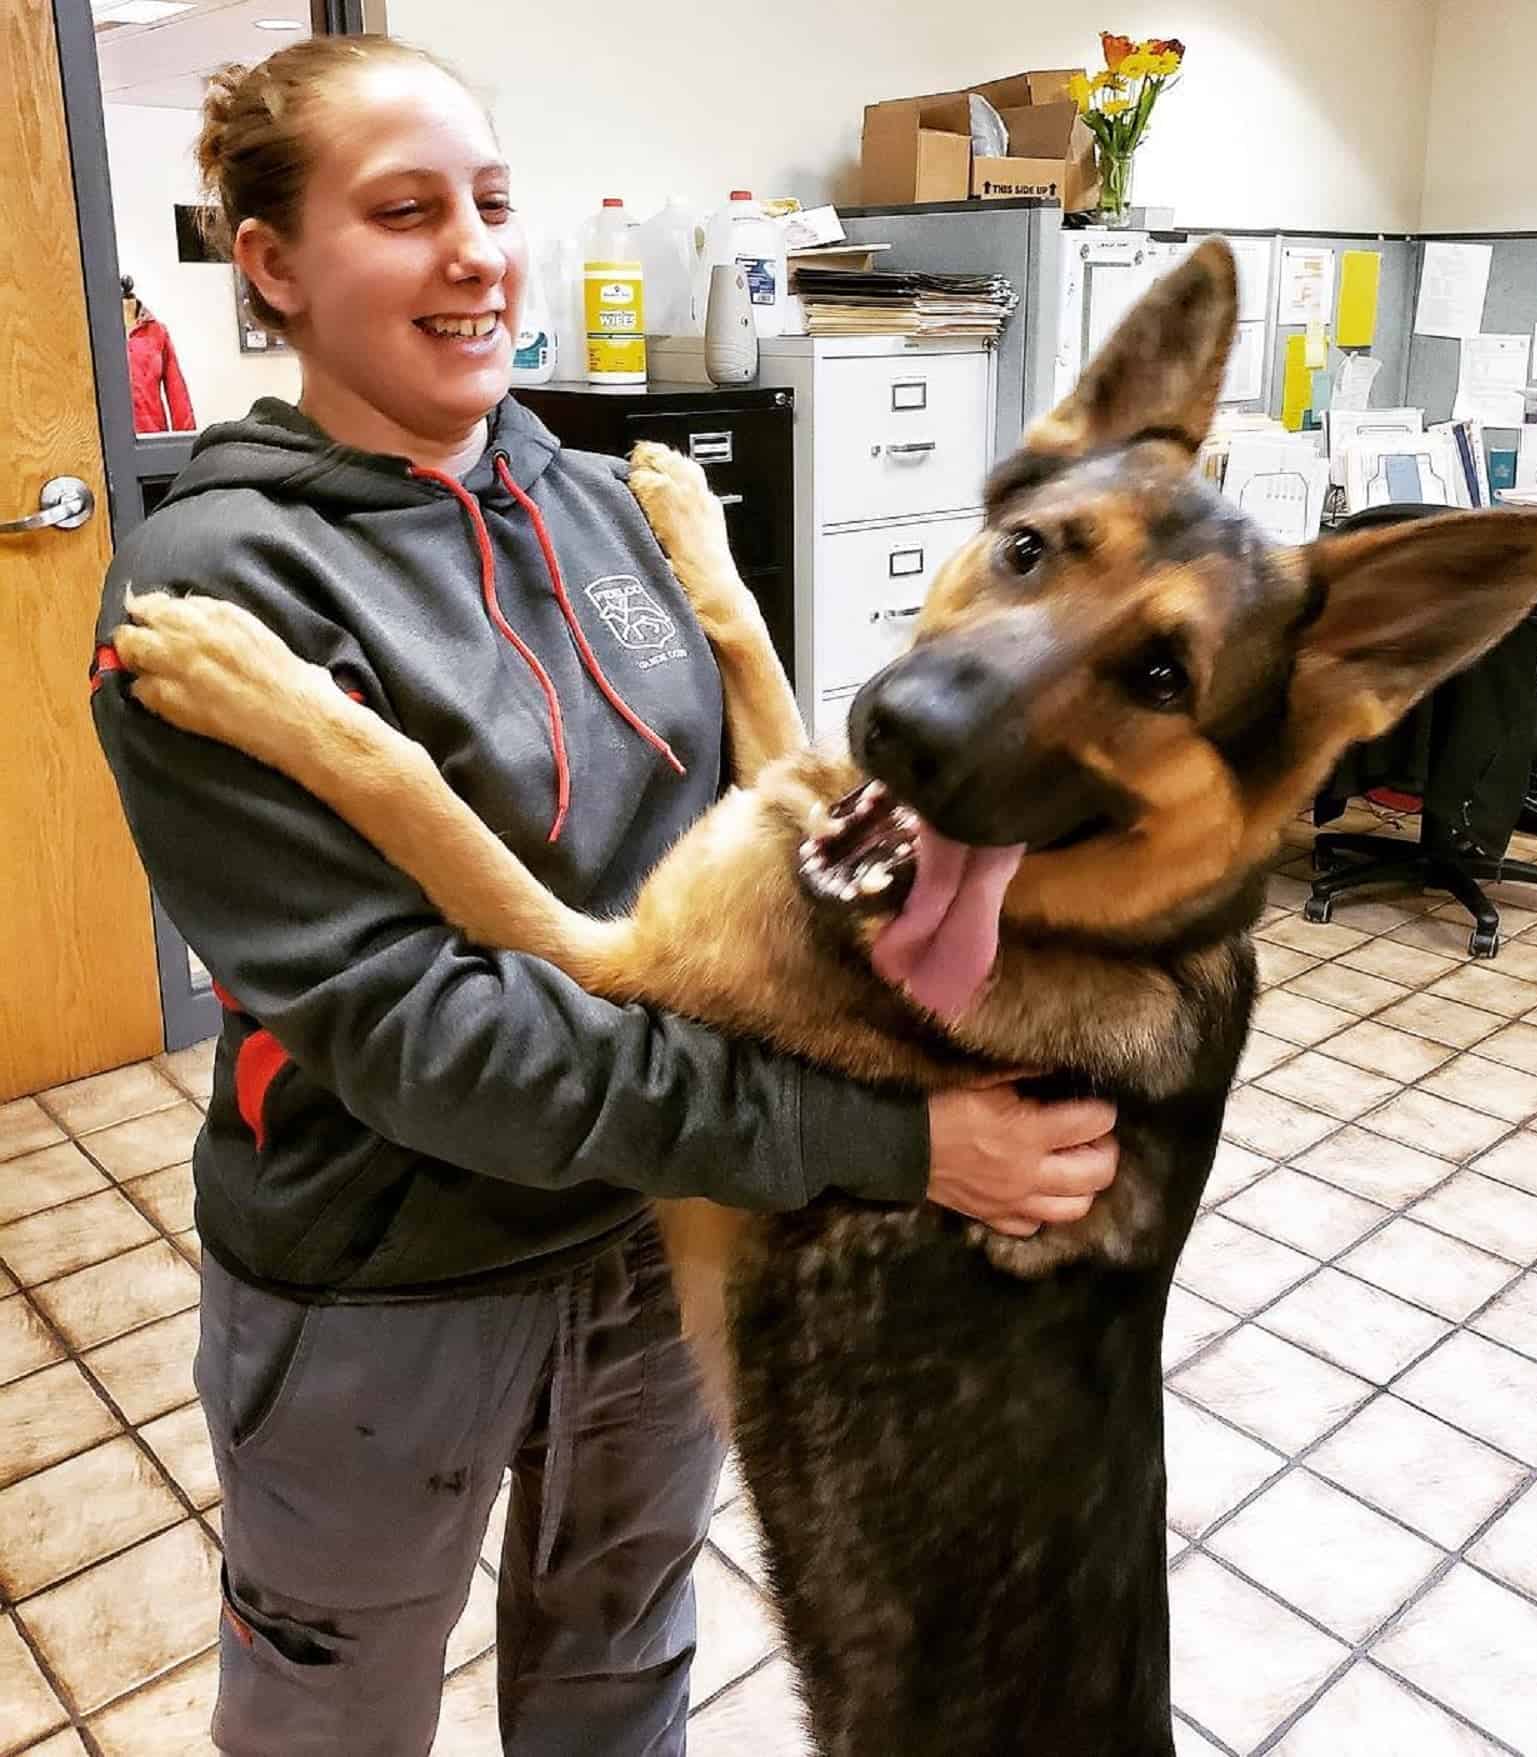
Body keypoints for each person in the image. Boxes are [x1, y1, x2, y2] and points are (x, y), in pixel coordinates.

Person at [90, 36, 1118, 1757]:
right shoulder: (216, 587)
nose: (476, 250)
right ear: (270, 264)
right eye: (404, 210)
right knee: (331, 1709)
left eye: (490, 201)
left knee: (621, 1658)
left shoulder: (589, 493)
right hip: (391, 1278)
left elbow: (762, 842)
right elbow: (437, 1038)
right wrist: (901, 1144)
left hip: (664, 1233)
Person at [121, 273, 197, 433]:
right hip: (109, 440)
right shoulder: (99, 333)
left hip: (152, 437)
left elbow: (176, 391)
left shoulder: (157, 332)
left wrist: (186, 443)